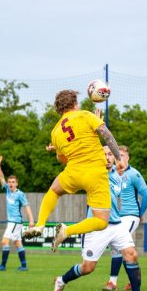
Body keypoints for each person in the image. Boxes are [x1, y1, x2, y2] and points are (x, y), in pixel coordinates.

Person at [24, 90, 125, 252]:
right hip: (95, 173)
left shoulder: (56, 131)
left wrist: (61, 148)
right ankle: (67, 231)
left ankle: (40, 224)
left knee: (54, 191)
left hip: (73, 172)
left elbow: (61, 159)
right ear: (75, 104)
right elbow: (107, 135)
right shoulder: (85, 115)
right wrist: (119, 159)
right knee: (101, 221)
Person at [53, 146, 147, 291]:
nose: (106, 157)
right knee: (87, 268)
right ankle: (61, 280)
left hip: (117, 224)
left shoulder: (119, 176)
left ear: (115, 158)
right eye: (103, 154)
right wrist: (61, 150)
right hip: (97, 227)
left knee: (131, 255)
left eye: (110, 155)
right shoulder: (93, 171)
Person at [103, 145, 147, 291]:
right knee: (124, 248)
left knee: (118, 247)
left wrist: (139, 213)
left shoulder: (134, 174)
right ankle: (134, 280)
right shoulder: (111, 174)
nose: (120, 158)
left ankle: (112, 282)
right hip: (117, 217)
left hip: (130, 216)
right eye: (118, 155)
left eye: (122, 155)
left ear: (128, 158)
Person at [0, 156, 35, 272]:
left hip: (15, 222)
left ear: (17, 184)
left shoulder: (20, 194)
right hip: (14, 222)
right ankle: (24, 265)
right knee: (17, 243)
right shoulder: (7, 189)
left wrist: (31, 220)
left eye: (13, 182)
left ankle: (2, 266)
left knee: (4, 241)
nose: (10, 183)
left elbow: (27, 207)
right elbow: (1, 177)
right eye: (9, 182)